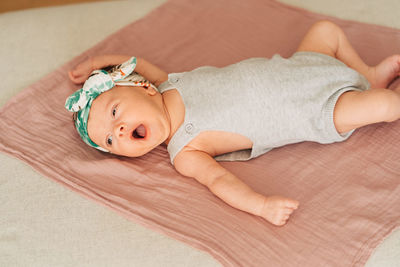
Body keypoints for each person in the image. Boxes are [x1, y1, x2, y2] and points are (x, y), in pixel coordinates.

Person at [65, 20, 400, 226]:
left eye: (114, 114)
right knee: (385, 105)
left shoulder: (169, 83)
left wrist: (99, 62)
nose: (119, 131)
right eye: (110, 141)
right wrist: (261, 205)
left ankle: (367, 74)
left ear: (143, 87)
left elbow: (139, 63)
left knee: (325, 30)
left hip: (301, 65)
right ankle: (371, 88)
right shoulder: (185, 150)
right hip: (316, 109)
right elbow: (219, 181)